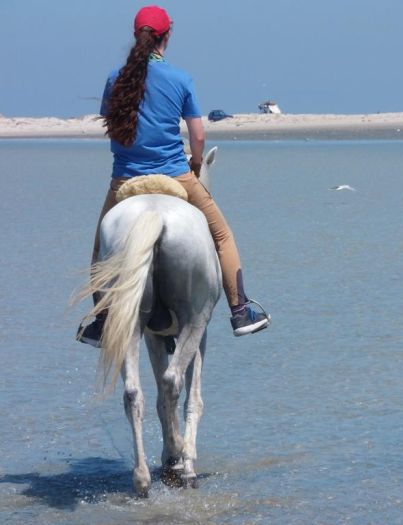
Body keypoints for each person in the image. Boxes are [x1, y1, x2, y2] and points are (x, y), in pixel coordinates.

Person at [77, 5, 269, 346]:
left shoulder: (113, 78)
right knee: (222, 236)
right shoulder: (180, 79)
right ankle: (240, 311)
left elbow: (113, 127)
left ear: (136, 36)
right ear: (168, 35)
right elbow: (197, 137)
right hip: (175, 174)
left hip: (124, 180)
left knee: (99, 251)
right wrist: (195, 165)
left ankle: (101, 321)